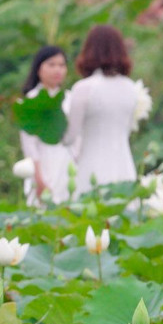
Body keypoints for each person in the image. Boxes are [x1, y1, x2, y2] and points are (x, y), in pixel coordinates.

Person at [64, 25, 139, 197]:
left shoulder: (84, 88)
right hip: (124, 167)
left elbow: (69, 137)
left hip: (91, 167)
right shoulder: (130, 88)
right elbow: (127, 130)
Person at [18, 45, 75, 206]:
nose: (57, 70)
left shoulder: (70, 99)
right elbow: (29, 145)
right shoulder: (30, 101)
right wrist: (39, 179)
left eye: (62, 65)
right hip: (43, 163)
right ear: (39, 69)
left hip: (68, 164)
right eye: (51, 65)